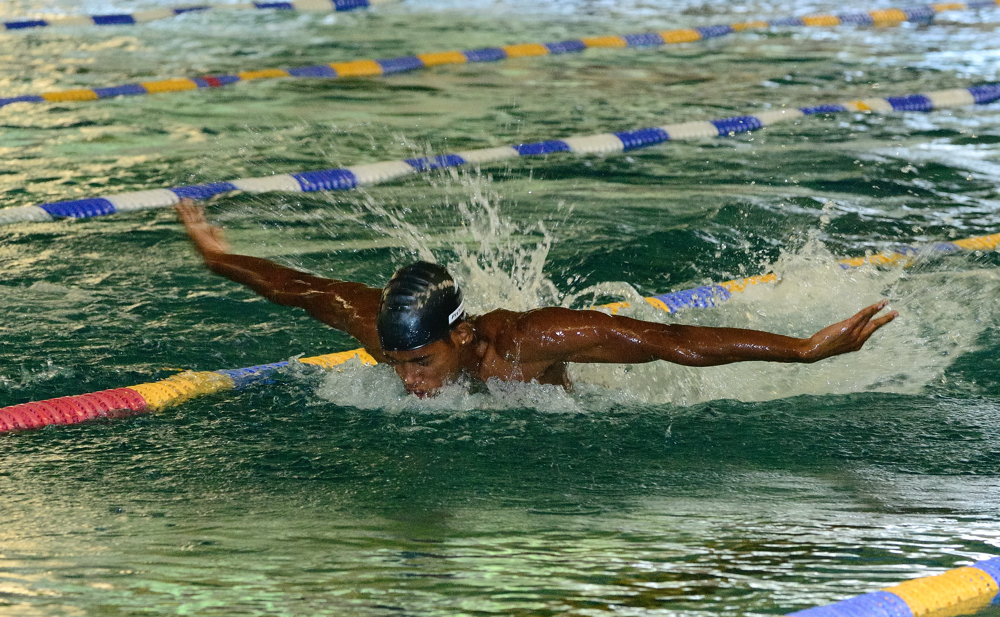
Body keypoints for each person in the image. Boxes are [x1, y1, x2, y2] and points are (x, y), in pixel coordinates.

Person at [176, 200, 897, 398]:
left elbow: (666, 344)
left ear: (459, 337)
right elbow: (297, 288)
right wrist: (218, 257)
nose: (406, 378)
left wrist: (801, 351)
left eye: (419, 361)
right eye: (396, 362)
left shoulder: (533, 341)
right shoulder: (386, 331)